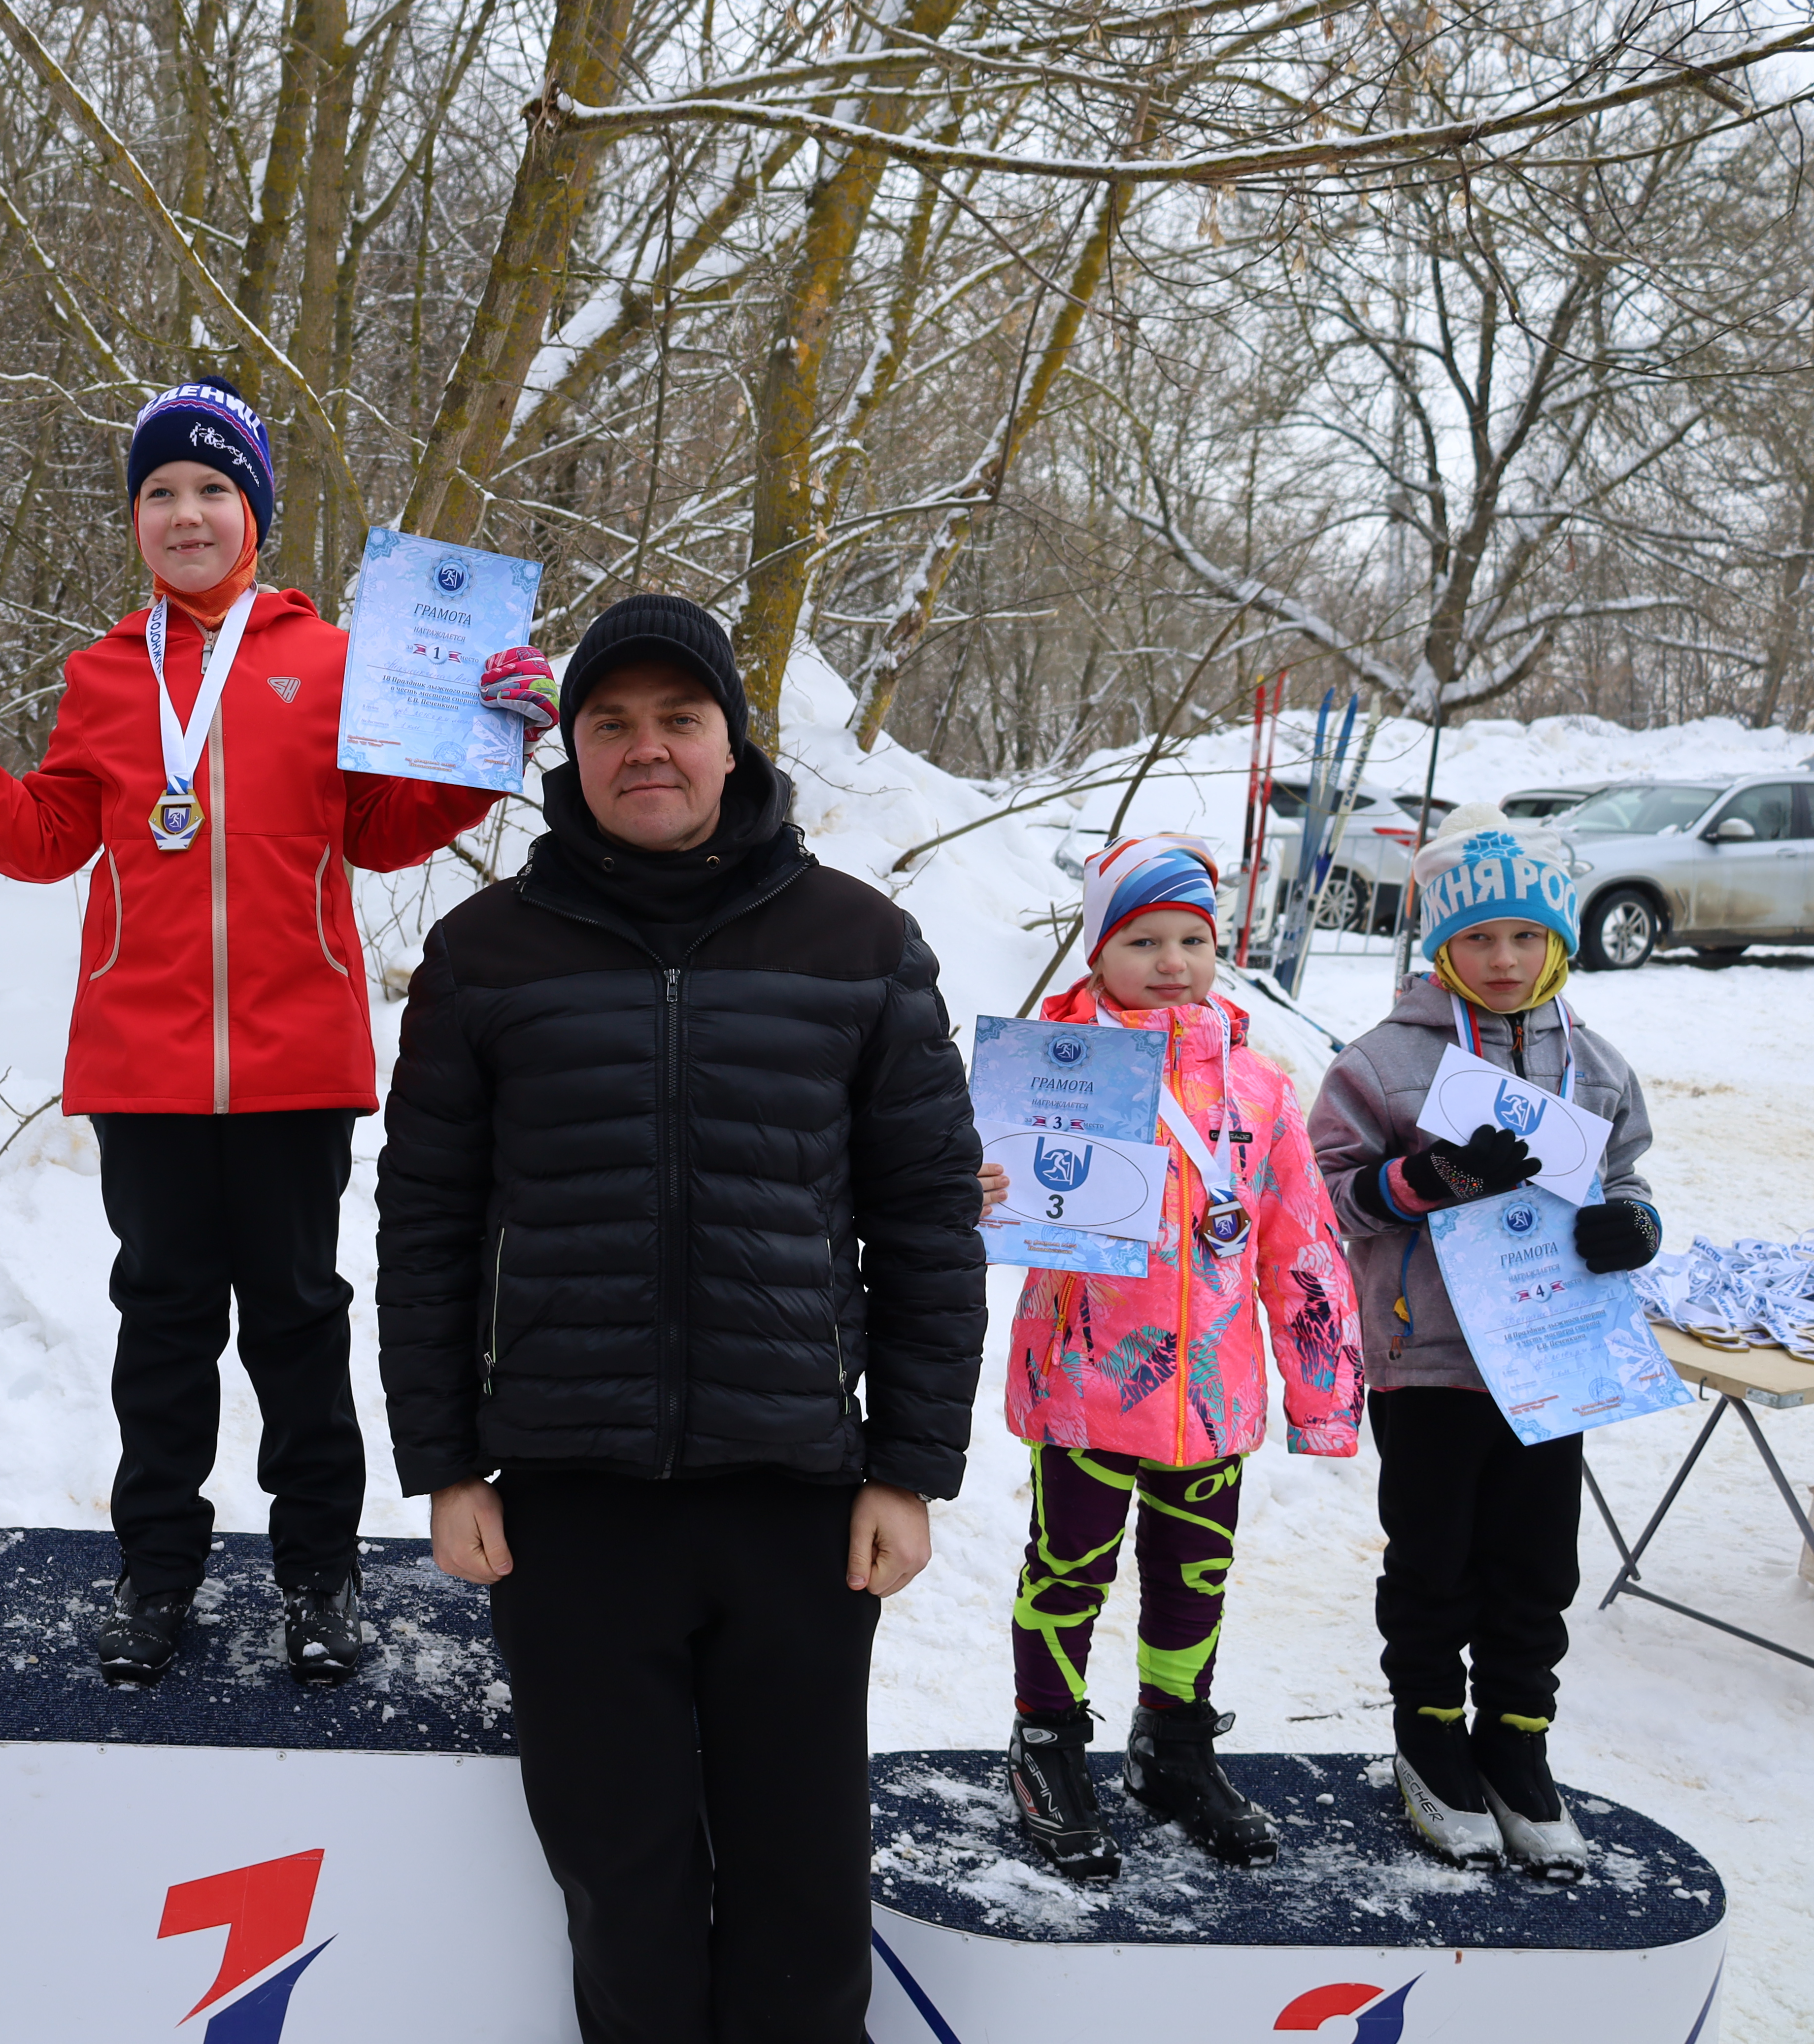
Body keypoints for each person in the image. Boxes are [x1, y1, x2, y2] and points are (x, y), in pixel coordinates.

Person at [0, 377, 551, 1687]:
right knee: (163, 1327)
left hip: (297, 1064)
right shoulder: (105, 676)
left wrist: (481, 745)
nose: (186, 513)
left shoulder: (329, 661)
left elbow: (383, 830)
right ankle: (158, 1573)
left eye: (212, 490)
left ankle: (319, 1576)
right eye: (160, 493)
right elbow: (53, 838)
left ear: (257, 514)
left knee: (299, 1323)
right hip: (147, 1066)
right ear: (135, 520)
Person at [376, 593, 985, 2043]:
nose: (646, 749)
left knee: (804, 1894)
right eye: (611, 724)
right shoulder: (486, 955)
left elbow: (925, 1224)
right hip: (572, 1504)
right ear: (572, 749)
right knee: (623, 1887)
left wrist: (906, 1464)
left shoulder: (861, 944)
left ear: (731, 742)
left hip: (792, 1498)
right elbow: (427, 1227)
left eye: (678, 720)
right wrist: (448, 1461)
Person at [996, 835, 1363, 1880]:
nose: (1172, 961)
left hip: (1213, 1396)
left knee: (1193, 1577)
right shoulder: (1048, 1066)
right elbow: (969, 1194)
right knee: (1067, 1570)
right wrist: (968, 1186)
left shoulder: (1260, 1088)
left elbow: (1300, 1239)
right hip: (1081, 1386)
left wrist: (1323, 1391)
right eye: (1143, 939)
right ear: (1098, 950)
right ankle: (1047, 1741)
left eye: (1193, 939)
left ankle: (1173, 1741)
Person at [1309, 804, 1659, 1880]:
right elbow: (1326, 1201)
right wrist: (1420, 1181)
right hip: (1430, 1359)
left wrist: (1630, 1226)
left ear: (1556, 938)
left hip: (1553, 1360)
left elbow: (1630, 1177)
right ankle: (1428, 1731)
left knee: (1536, 1559)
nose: (1500, 960)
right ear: (1440, 945)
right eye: (1474, 939)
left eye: (1523, 937)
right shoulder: (1382, 1062)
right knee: (1436, 1556)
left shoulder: (1596, 1065)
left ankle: (1517, 1739)